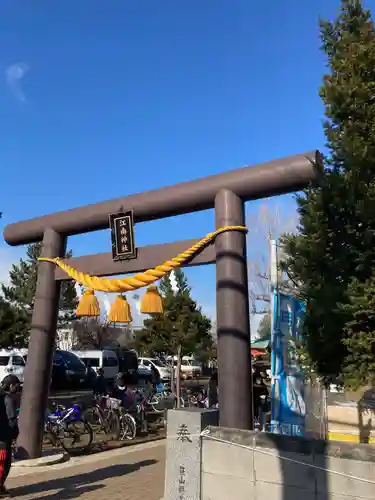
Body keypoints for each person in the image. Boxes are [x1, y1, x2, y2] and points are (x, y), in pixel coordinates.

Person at [0, 375, 21, 497]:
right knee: (4, 464)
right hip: (3, 438)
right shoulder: (8, 398)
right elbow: (12, 420)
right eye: (17, 386)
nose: (17, 390)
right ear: (11, 385)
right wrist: (14, 434)